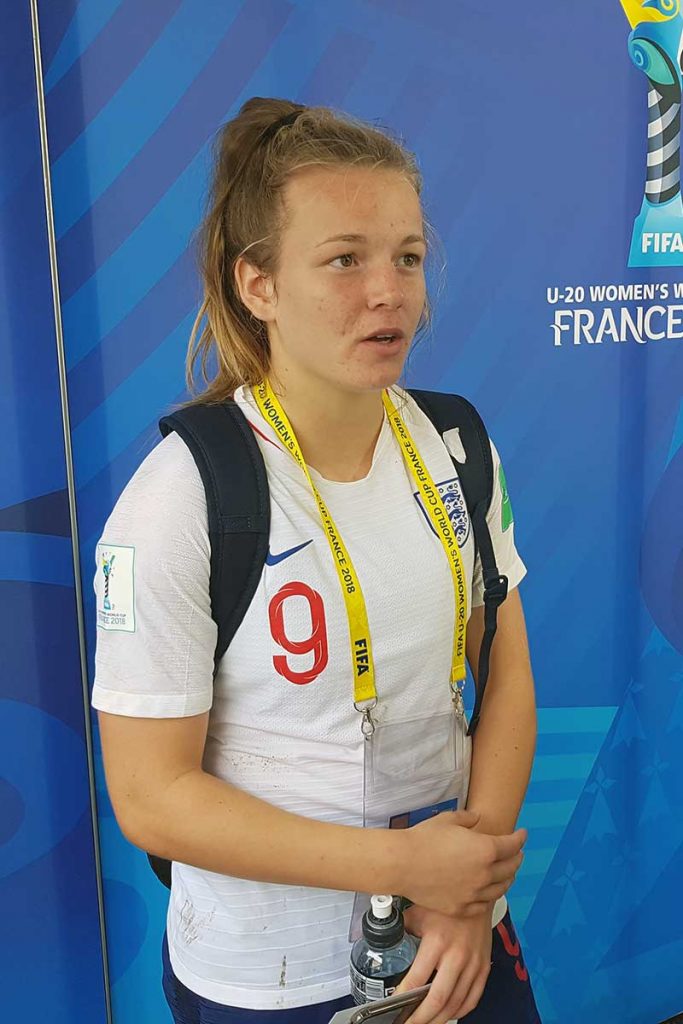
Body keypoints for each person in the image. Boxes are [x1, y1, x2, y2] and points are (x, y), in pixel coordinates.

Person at [92, 97, 540, 1024]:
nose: (389, 292)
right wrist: (402, 869)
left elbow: (504, 675)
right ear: (257, 284)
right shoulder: (183, 493)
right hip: (272, 977)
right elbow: (151, 799)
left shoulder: (454, 442)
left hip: (456, 938)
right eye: (344, 260)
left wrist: (461, 895)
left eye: (407, 257)